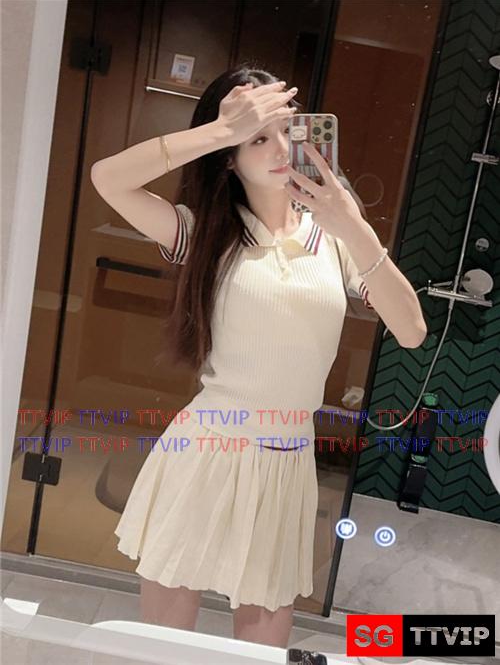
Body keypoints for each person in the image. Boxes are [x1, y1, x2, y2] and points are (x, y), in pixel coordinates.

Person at [90, 65, 427, 649]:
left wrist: (353, 226)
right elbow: (108, 179)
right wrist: (221, 130)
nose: (278, 149)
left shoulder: (335, 240)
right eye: (257, 137)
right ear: (229, 157)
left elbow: (413, 330)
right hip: (207, 452)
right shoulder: (203, 235)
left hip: (286, 464)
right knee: (166, 650)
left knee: (262, 652)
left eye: (287, 131)